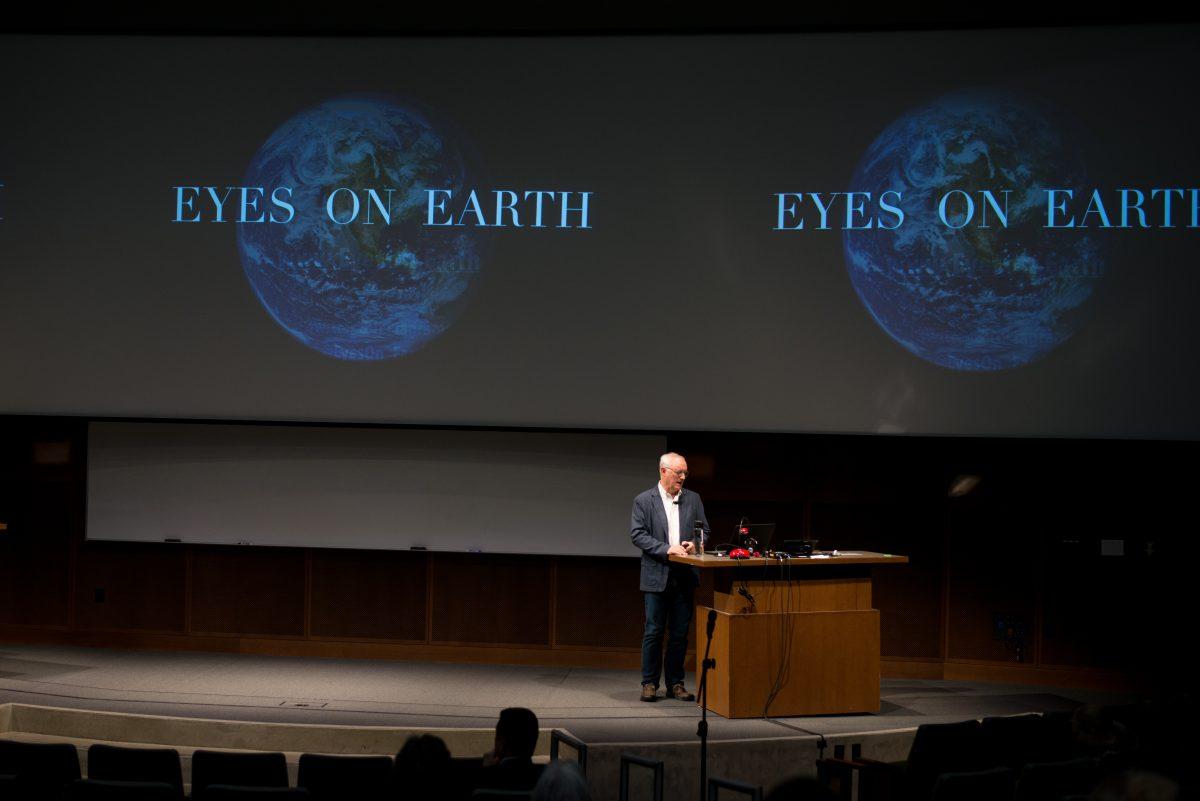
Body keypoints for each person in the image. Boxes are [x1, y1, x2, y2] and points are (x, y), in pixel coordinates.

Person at [630, 452, 710, 702]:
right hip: (656, 575)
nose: (683, 477)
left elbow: (704, 531)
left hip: (684, 575)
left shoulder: (693, 499)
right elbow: (638, 535)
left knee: (679, 633)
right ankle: (649, 683)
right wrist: (667, 548)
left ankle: (675, 683)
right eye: (679, 472)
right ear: (663, 471)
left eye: (685, 473)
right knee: (654, 631)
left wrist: (694, 545)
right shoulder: (644, 500)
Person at [475, 707, 544, 792]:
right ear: (534, 741)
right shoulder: (546, 782)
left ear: (501, 743)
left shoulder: (483, 781)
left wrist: (487, 770)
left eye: (496, 739)